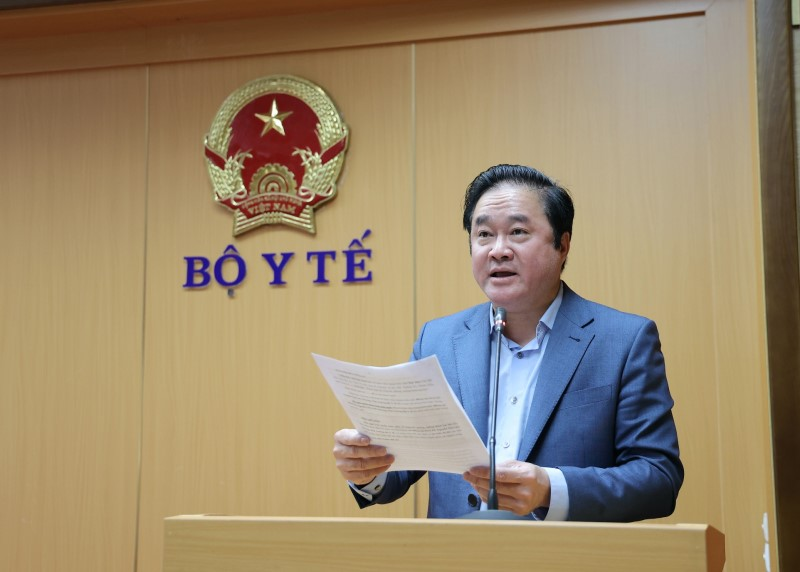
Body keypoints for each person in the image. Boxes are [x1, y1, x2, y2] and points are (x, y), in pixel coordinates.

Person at [332, 164, 683, 521]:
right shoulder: (438, 341)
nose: (498, 250)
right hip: (455, 551)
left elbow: (659, 478)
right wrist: (367, 468)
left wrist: (550, 488)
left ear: (562, 245)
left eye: (518, 232)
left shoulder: (623, 341)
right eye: (484, 234)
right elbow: (401, 468)